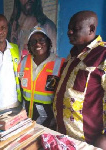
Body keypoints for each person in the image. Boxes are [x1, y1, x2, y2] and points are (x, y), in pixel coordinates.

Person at [53, 10, 106, 149]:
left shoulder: (103, 56)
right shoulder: (73, 55)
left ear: (91, 29)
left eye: (75, 29)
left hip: (87, 142)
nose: (69, 32)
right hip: (63, 137)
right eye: (69, 28)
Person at [18, 26, 65, 129]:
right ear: (29, 46)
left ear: (48, 42)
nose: (37, 44)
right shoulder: (24, 62)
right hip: (25, 121)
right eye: (33, 41)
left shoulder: (60, 63)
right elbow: (19, 88)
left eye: (41, 40)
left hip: (48, 123)